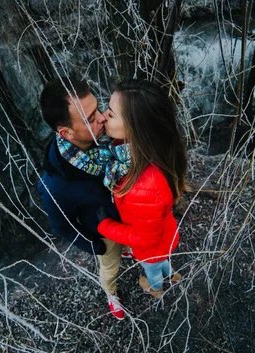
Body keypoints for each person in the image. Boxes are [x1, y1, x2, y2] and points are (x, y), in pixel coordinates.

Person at [38, 77, 126, 320]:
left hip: (126, 216)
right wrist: (94, 245)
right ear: (66, 133)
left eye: (98, 107)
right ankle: (111, 294)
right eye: (89, 118)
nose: (102, 117)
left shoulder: (108, 138)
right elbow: (62, 227)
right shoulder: (55, 186)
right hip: (105, 233)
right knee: (110, 266)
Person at [97, 79, 187, 299]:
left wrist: (105, 225)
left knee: (152, 269)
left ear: (136, 128)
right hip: (165, 235)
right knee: (163, 261)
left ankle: (156, 288)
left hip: (151, 247)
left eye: (110, 113)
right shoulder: (146, 155)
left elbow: (145, 238)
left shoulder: (143, 186)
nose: (102, 117)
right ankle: (171, 275)